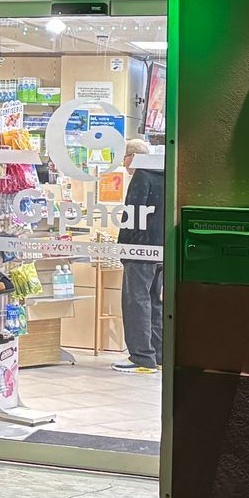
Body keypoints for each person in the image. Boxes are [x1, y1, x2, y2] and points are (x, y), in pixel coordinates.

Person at [114, 137, 164, 373]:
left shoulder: (142, 176)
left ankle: (141, 356)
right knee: (154, 300)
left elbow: (133, 215)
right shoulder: (163, 174)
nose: (124, 164)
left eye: (124, 158)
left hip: (140, 249)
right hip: (160, 249)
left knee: (136, 301)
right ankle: (159, 354)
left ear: (133, 156)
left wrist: (124, 247)